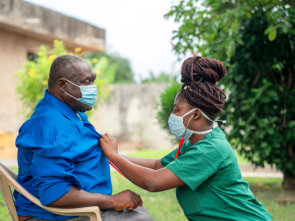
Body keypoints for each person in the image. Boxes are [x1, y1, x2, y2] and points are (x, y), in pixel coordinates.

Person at [100, 56, 273, 221]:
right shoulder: (195, 142)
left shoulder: (211, 149)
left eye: (176, 110)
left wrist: (114, 156)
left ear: (196, 114)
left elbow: (153, 181)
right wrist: (112, 156)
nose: (172, 116)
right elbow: (157, 165)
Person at [14, 55, 153, 221]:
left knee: (139, 214)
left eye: (92, 81)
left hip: (81, 209)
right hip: (55, 215)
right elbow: (54, 194)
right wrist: (112, 201)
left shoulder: (70, 113)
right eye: (86, 82)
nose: (92, 88)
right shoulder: (52, 126)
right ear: (62, 85)